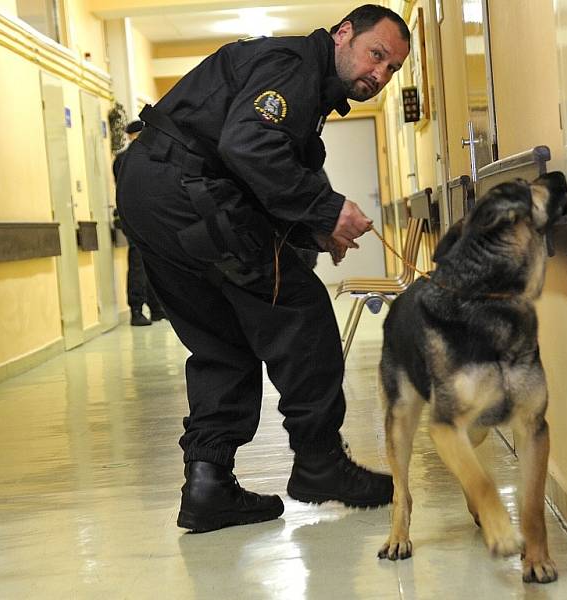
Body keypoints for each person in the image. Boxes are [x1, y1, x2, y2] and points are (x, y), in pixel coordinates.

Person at [115, 4, 410, 533]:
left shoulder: (304, 82)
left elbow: (253, 165)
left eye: (392, 70)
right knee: (300, 308)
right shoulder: (293, 64)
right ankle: (319, 461)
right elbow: (248, 144)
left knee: (222, 341)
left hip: (154, 191)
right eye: (377, 55)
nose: (380, 75)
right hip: (184, 188)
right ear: (343, 34)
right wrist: (326, 210)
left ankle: (208, 485)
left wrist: (312, 228)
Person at [112, 120, 166, 326]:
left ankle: (156, 308)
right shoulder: (127, 158)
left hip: (143, 215)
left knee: (151, 261)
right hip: (138, 216)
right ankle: (137, 309)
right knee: (139, 264)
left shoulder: (128, 158)